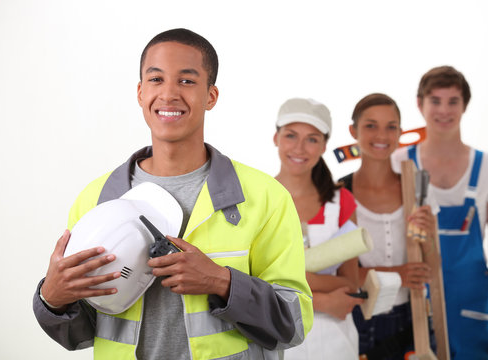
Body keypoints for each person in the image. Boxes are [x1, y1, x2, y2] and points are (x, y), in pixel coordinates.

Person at [32, 28, 314, 360]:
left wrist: (221, 282)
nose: (168, 94)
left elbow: (293, 324)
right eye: (156, 80)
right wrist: (51, 299)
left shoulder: (265, 196)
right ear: (140, 92)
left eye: (186, 81)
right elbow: (81, 335)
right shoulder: (96, 200)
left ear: (211, 96)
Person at [392, 66, 488, 360]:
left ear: (465, 106)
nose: (444, 110)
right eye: (435, 101)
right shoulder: (398, 163)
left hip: (471, 300)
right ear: (420, 104)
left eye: (453, 101)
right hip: (413, 300)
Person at [339, 93, 438, 359]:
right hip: (360, 317)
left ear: (400, 133)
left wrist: (428, 238)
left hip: (413, 316)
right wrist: (398, 274)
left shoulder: (417, 188)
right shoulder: (339, 193)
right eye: (370, 125)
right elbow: (341, 276)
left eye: (391, 126)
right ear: (353, 131)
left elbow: (434, 268)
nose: (381, 135)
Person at [273, 98, 363, 359]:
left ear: (324, 145)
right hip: (277, 339)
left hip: (335, 341)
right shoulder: (256, 198)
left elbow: (350, 282)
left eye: (312, 139)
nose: (300, 148)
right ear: (276, 138)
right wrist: (322, 299)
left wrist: (288, 279)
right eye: (291, 135)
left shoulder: (341, 202)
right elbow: (248, 283)